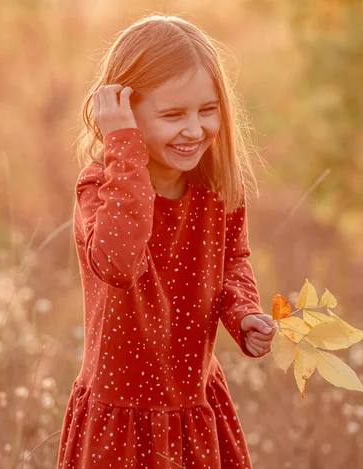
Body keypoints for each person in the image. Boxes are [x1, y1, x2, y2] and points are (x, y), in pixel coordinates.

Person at [56, 13, 276, 469]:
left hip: (195, 409)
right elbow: (118, 262)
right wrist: (124, 146)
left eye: (207, 110)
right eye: (173, 114)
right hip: (118, 424)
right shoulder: (101, 188)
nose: (194, 129)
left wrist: (244, 315)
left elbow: (232, 262)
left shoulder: (215, 189)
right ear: (124, 112)